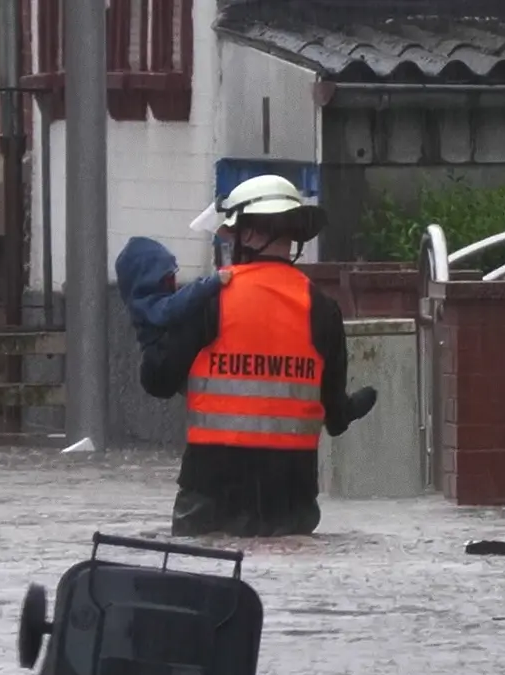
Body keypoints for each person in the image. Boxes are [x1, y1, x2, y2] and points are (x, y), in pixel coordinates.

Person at [139, 174, 378, 537]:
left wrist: (148, 324)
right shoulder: (322, 309)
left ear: (249, 235)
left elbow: (157, 381)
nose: (228, 244)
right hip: (290, 497)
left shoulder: (210, 298)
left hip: (211, 493)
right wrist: (352, 407)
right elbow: (334, 416)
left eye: (231, 235)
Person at [115, 236, 231, 352]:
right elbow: (173, 306)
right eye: (168, 277)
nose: (174, 282)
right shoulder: (147, 307)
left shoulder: (148, 303)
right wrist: (210, 283)